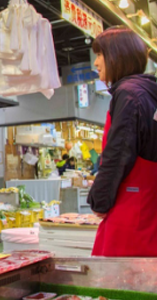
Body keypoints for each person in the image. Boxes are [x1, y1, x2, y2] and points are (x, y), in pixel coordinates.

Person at [87, 26, 157, 256]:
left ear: (118, 56)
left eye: (99, 55)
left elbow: (118, 153)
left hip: (131, 208)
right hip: (148, 203)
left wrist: (100, 200)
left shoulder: (128, 94)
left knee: (121, 282)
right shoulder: (148, 91)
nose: (96, 63)